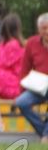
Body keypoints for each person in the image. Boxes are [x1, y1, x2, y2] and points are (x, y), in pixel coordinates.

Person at [14, 13, 48, 142]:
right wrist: (21, 91)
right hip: (38, 86)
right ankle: (44, 131)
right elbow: (25, 68)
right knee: (21, 102)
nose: (47, 31)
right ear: (39, 29)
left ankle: (46, 137)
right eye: (44, 28)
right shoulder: (32, 43)